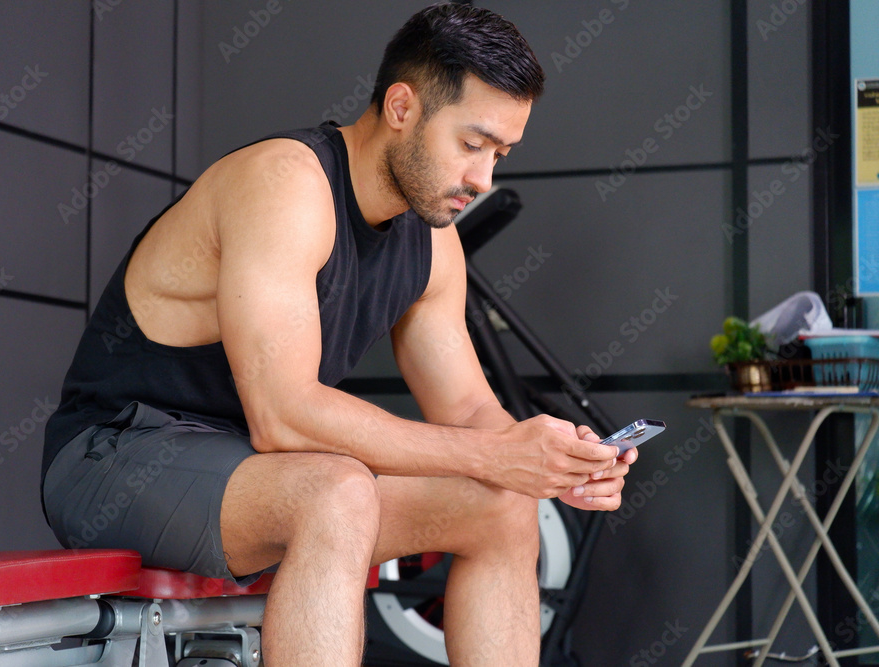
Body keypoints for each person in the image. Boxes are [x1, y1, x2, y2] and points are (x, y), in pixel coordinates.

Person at [41, 4, 637, 665]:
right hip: (115, 455)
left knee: (503, 507)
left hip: (255, 472)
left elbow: (468, 408)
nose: (483, 179)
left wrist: (551, 459)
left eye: (500, 153)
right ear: (403, 107)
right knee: (338, 491)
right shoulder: (287, 184)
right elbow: (285, 414)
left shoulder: (434, 244)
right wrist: (494, 456)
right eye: (471, 144)